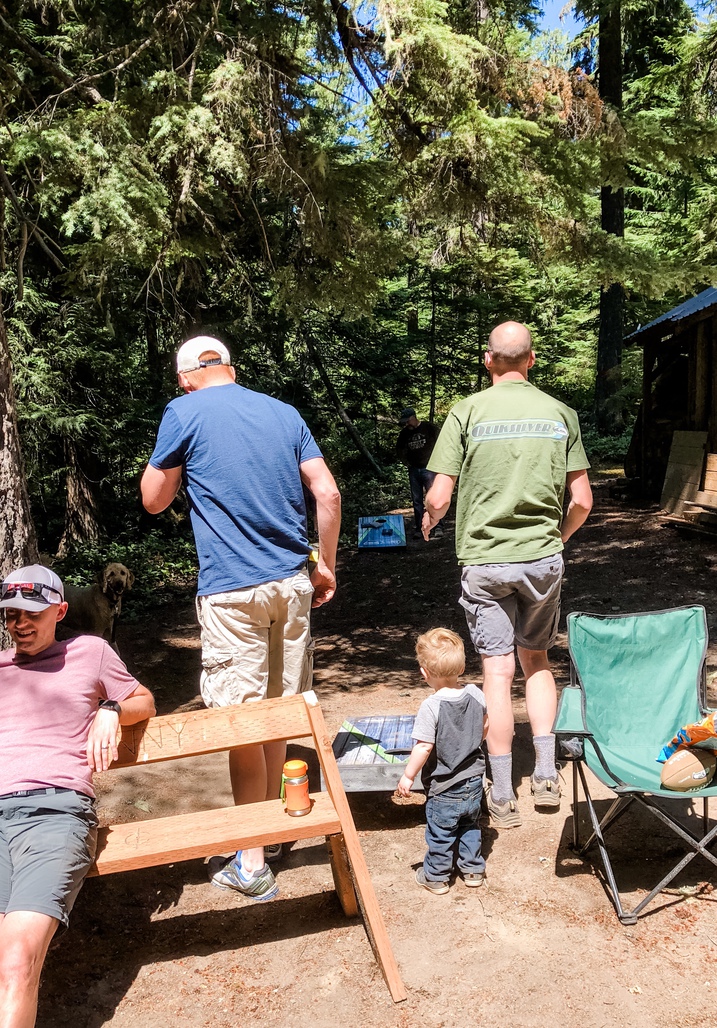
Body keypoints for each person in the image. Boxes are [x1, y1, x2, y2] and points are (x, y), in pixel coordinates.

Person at [141, 335, 341, 901]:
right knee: (278, 714)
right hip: (290, 585)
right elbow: (327, 492)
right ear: (230, 366)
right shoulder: (283, 411)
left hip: (233, 590)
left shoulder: (183, 411)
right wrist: (324, 566)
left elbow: (153, 499)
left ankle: (250, 861)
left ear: (186, 376)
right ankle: (273, 830)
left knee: (239, 722)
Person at [422, 321, 593, 828]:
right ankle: (545, 773)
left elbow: (438, 493)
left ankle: (500, 787)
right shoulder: (561, 414)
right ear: (532, 360)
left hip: (485, 560)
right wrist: (555, 540)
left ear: (488, 360)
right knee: (536, 659)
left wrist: (431, 517)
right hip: (542, 558)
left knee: (496, 670)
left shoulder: (467, 410)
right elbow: (581, 501)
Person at [0, 564, 155, 1028]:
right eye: (10, 614)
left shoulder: (89, 651)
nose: (19, 624)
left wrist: (110, 708)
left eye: (31, 613)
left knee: (16, 960)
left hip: (52, 813)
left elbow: (143, 700)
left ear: (60, 611)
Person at [397, 628, 488, 894]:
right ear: (461, 667)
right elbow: (486, 724)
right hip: (473, 780)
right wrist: (473, 742)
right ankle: (473, 869)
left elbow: (424, 746)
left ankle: (436, 876)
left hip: (444, 786)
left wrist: (408, 775)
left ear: (424, 673)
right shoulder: (475, 694)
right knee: (470, 825)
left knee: (441, 832)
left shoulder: (431, 706)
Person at [395, 408, 443, 538]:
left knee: (434, 499)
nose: (406, 424)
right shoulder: (404, 433)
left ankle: (438, 526)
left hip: (430, 468)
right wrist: (407, 463)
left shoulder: (429, 428)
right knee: (417, 501)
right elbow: (399, 449)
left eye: (407, 421)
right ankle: (419, 528)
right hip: (414, 470)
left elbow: (443, 442)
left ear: (413, 417)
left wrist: (438, 461)